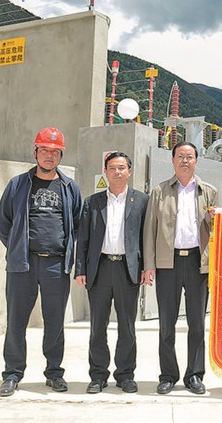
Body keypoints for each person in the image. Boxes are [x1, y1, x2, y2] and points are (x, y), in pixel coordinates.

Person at [0, 127, 82, 397]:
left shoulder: (69, 187)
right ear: (35, 152)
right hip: (23, 265)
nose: (49, 156)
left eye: (55, 152)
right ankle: (12, 374)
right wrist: (17, 247)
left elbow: (77, 224)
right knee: (16, 321)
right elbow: (2, 222)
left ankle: (54, 373)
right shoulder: (18, 184)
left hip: (56, 265)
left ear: (61, 156)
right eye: (44, 150)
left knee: (55, 322)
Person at [142, 142, 218, 395]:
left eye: (190, 157)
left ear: (197, 161)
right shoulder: (159, 191)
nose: (185, 161)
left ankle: (194, 375)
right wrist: (149, 265)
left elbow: (217, 230)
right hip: (168, 263)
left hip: (198, 263)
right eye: (180, 156)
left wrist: (214, 220)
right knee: (167, 323)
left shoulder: (209, 191)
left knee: (197, 323)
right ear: (173, 160)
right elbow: (149, 230)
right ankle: (168, 375)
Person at [75, 152, 149, 394]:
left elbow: (146, 238)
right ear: (105, 172)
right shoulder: (92, 202)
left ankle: (125, 375)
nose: (117, 172)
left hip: (128, 270)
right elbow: (83, 239)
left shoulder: (141, 201)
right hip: (100, 269)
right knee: (98, 326)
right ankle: (98, 375)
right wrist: (80, 270)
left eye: (121, 168)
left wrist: (146, 267)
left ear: (129, 171)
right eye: (112, 168)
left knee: (127, 326)